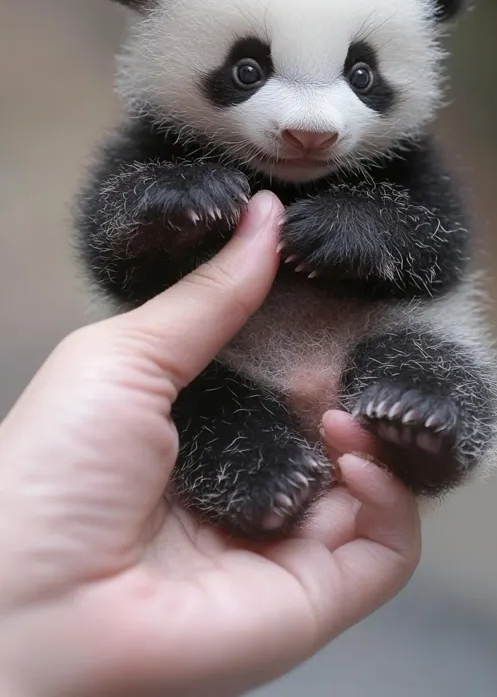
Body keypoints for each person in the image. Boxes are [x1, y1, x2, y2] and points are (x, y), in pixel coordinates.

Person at [0, 191, 420, 697]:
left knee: (426, 375)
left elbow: (438, 261)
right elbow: (117, 258)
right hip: (229, 385)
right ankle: (261, 492)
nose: (311, 128)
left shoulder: (407, 169)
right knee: (203, 409)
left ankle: (422, 432)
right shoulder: (158, 154)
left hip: (375, 355)